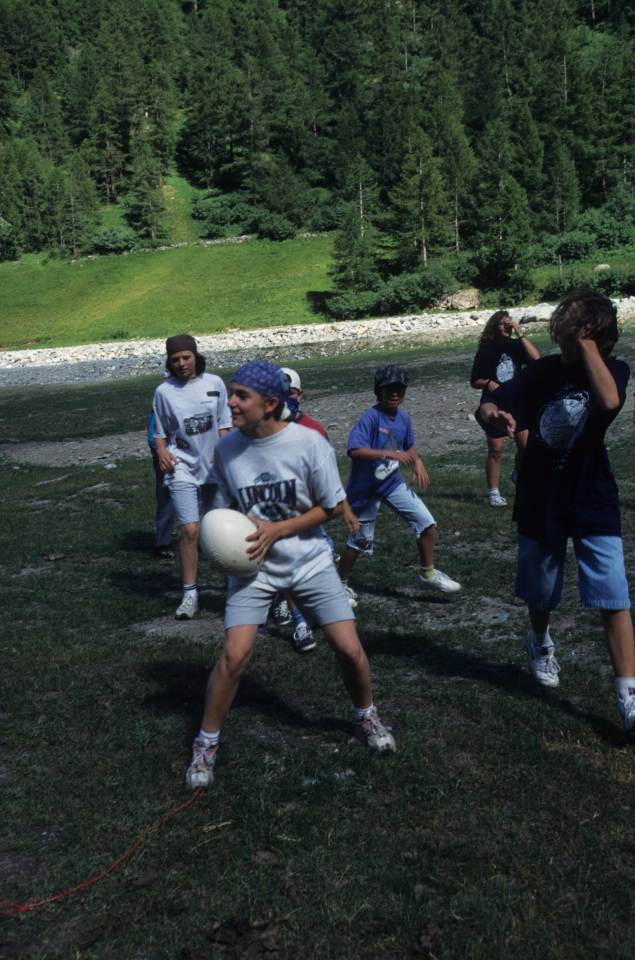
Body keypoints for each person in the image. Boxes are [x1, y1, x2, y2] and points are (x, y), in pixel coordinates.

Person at [185, 360, 396, 789]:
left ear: (270, 403)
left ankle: (367, 716)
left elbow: (332, 507)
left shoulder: (308, 443)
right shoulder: (227, 450)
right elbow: (225, 511)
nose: (231, 402)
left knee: (348, 649)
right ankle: (205, 745)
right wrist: (219, 541)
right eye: (231, 393)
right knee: (234, 657)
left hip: (309, 560)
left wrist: (278, 530)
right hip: (254, 567)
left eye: (242, 396)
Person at [478, 289, 635, 731]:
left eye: (576, 328)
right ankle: (540, 639)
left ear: (594, 335)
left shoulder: (614, 370)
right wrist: (493, 416)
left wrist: (586, 343)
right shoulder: (541, 371)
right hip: (540, 496)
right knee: (541, 589)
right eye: (566, 327)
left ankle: (629, 697)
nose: (565, 334)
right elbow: (488, 404)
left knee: (613, 593)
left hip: (592, 496)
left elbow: (609, 402)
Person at [337, 365, 461, 608]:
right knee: (359, 541)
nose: (394, 394)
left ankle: (428, 574)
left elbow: (408, 445)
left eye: (399, 390)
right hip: (365, 490)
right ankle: (339, 584)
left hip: (392, 483)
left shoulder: (403, 418)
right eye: (389, 389)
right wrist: (389, 453)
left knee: (426, 522)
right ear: (379, 391)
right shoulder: (371, 417)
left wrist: (418, 462)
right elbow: (354, 449)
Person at [270, 367, 360, 653]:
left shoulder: (314, 429)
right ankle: (299, 622)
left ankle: (292, 601)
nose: (287, 398)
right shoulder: (262, 429)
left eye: (292, 393)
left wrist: (345, 507)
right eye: (280, 393)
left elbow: (329, 472)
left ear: (301, 394)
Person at [152, 335, 232, 619]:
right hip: (181, 467)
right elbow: (160, 432)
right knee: (189, 530)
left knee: (220, 529)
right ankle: (190, 595)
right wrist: (162, 453)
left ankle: (233, 585)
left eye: (186, 357)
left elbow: (224, 425)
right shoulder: (164, 392)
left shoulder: (215, 383)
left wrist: (222, 451)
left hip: (213, 467)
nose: (181, 363)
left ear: (195, 357)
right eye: (175, 360)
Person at [471, 311, 540, 506]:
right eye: (502, 324)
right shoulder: (485, 351)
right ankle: (493, 492)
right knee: (496, 450)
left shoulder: (515, 346)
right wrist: (487, 382)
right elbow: (474, 381)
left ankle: (517, 474)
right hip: (493, 404)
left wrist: (520, 332)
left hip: (517, 403)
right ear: (494, 327)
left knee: (526, 446)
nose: (507, 327)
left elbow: (536, 359)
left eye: (509, 323)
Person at [147, 370, 176, 558]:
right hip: (165, 460)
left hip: (176, 457)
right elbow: (152, 436)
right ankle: (162, 544)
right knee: (167, 502)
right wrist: (163, 453)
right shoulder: (160, 401)